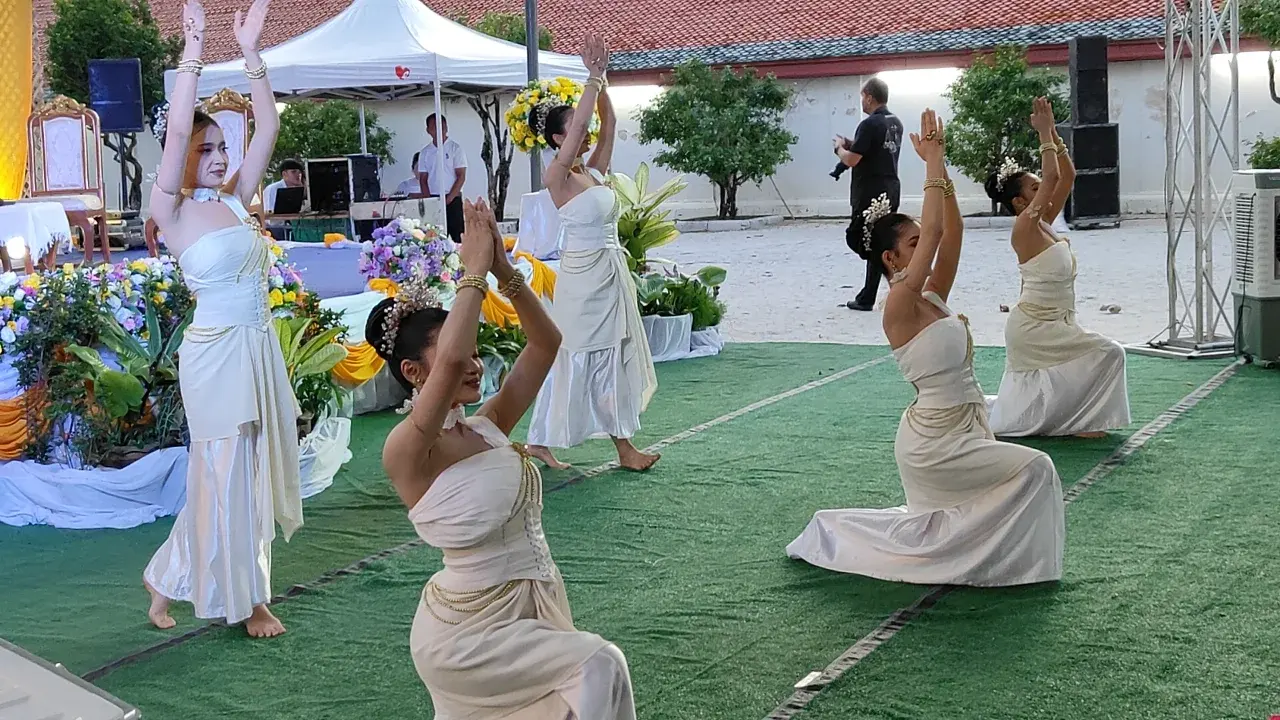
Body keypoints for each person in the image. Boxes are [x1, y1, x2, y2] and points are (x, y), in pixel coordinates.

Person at [372, 197, 636, 719]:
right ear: (413, 372)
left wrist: (502, 268)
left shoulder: (488, 426)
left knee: (574, 702)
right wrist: (471, 271)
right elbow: (451, 360)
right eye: (461, 352)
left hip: (532, 607)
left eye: (477, 352)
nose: (472, 363)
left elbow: (546, 343)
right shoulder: (408, 448)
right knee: (600, 665)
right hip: (463, 633)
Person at [787, 109, 1065, 587]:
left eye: (920, 241)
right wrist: (932, 162)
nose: (925, 247)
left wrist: (944, 170)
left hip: (965, 429)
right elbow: (935, 232)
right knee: (1038, 466)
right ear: (891, 258)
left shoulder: (932, 296)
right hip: (933, 445)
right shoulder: (897, 304)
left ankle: (1001, 565)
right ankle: (1008, 569)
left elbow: (950, 233)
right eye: (913, 244)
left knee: (1025, 475)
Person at [142, 0, 303, 639]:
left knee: (243, 472)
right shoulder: (172, 211)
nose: (217, 154)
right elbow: (178, 127)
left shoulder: (236, 200)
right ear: (180, 155)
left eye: (221, 146)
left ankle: (168, 576)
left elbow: (268, 127)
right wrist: (193, 48)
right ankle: (249, 600)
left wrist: (252, 51)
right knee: (226, 472)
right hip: (214, 355)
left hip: (256, 347)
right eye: (204, 147)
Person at [522, 34, 660, 472]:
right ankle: (543, 440)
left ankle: (621, 447)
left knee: (609, 356)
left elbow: (608, 123)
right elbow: (583, 124)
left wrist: (605, 79)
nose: (585, 136)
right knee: (577, 356)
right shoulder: (557, 177)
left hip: (609, 274)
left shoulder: (594, 172)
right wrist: (591, 78)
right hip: (582, 281)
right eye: (574, 133)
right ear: (558, 138)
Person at [983, 99, 1130, 438]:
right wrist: (1043, 133)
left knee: (1102, 356)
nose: (1044, 191)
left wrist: (1053, 135)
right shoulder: (1024, 227)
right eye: (1035, 189)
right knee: (1111, 353)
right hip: (1034, 327)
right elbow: (1052, 176)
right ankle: (1080, 422)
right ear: (1020, 202)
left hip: (1056, 321)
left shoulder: (1044, 220)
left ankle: (1078, 421)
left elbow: (1066, 176)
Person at [836, 78, 904, 312]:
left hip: (871, 192)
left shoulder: (869, 124)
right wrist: (852, 143)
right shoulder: (895, 122)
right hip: (891, 188)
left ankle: (890, 282)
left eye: (863, 97)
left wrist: (839, 148)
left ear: (869, 96)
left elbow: (852, 159)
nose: (862, 102)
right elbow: (872, 149)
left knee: (859, 237)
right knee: (880, 239)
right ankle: (870, 295)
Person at [418, 114, 467, 243]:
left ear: (446, 127)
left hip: (452, 199)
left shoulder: (455, 148)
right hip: (433, 200)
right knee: (433, 240)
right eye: (434, 126)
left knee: (457, 239)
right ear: (428, 130)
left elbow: (461, 176)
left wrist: (449, 198)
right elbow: (423, 179)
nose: (438, 129)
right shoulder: (425, 152)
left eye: (441, 126)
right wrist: (430, 202)